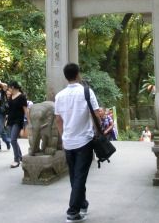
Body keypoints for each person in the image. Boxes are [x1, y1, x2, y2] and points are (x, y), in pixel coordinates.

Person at [55, 63, 99, 223]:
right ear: (78, 74)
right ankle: (72, 211)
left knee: (75, 176)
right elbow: (96, 114)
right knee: (79, 176)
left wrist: (63, 136)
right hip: (84, 140)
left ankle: (83, 204)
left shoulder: (59, 96)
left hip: (68, 141)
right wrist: (97, 132)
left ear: (66, 76)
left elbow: (58, 120)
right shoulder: (86, 92)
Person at [6, 80, 29, 168]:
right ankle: (20, 157)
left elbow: (25, 110)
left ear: (12, 87)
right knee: (13, 140)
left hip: (18, 121)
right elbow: (9, 110)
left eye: (9, 88)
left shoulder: (22, 97)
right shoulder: (11, 96)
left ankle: (16, 160)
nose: (8, 90)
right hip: (10, 120)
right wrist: (6, 119)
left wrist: (29, 121)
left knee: (13, 140)